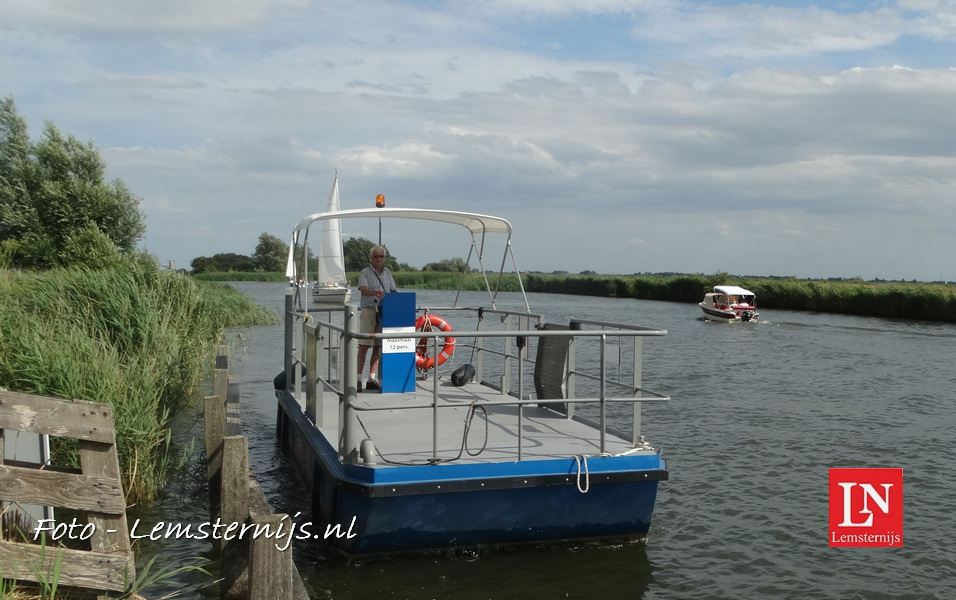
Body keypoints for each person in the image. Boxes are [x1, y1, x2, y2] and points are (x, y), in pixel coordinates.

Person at [356, 245, 398, 392]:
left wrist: (400, 301)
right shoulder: (365, 273)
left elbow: (393, 290)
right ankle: (357, 379)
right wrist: (376, 293)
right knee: (364, 345)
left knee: (378, 346)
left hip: (383, 312)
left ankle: (371, 379)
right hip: (369, 311)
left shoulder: (387, 273)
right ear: (371, 258)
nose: (379, 259)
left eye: (381, 256)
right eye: (376, 256)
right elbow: (363, 290)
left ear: (384, 258)